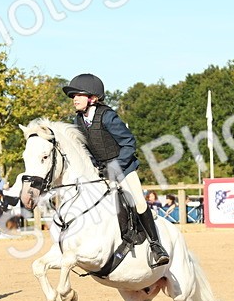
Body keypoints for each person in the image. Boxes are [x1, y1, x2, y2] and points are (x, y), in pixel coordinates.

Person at [65, 72, 169, 267]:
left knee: (137, 201)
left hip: (124, 167)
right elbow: (85, 149)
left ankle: (156, 246)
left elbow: (129, 143)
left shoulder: (108, 116)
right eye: (73, 96)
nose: (74, 99)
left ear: (93, 98)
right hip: (102, 170)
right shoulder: (78, 121)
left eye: (78, 95)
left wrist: (115, 167)